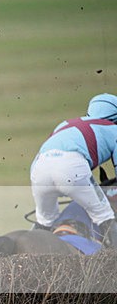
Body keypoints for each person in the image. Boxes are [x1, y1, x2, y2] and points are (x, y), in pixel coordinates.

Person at [30, 93, 117, 247]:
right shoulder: (113, 129)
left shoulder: (64, 124)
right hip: (72, 167)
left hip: (39, 168)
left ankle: (23, 255)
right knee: (104, 215)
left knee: (45, 220)